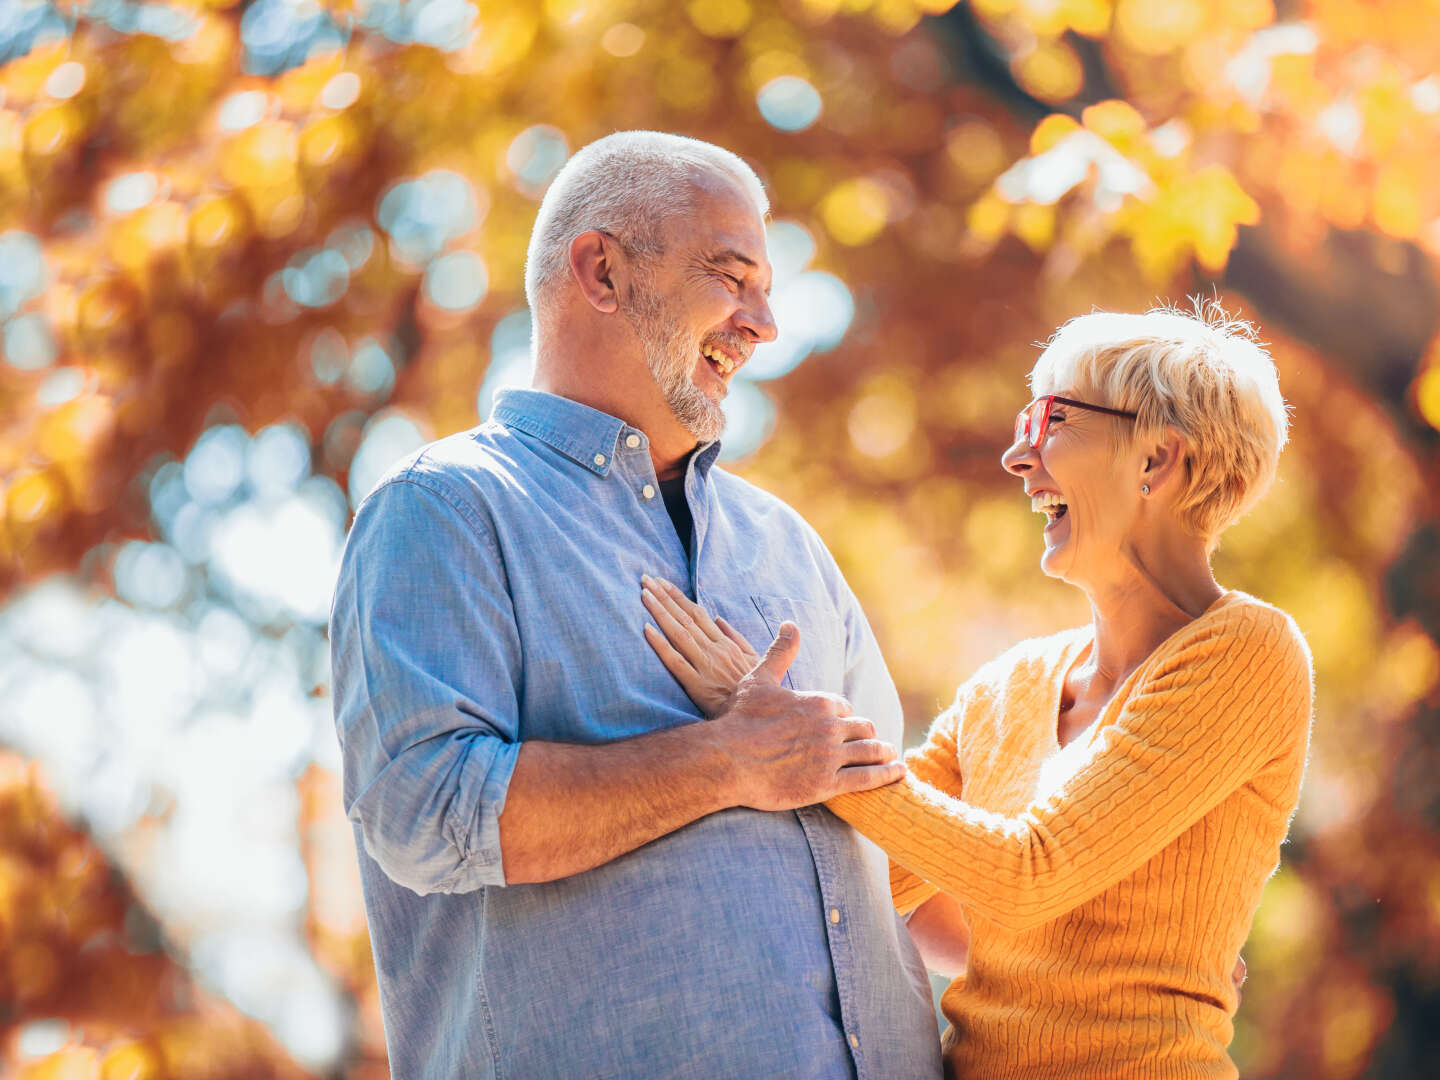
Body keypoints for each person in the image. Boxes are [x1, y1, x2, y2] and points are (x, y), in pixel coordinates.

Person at [329, 130, 942, 1079]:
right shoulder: (446, 510)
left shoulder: (792, 549)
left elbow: (903, 854)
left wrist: (1116, 965)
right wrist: (725, 762)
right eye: (731, 277)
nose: (764, 323)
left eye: (765, 288)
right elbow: (425, 812)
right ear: (602, 271)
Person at [642, 304, 1313, 1079]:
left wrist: (802, 742)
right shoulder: (1011, 684)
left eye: (1051, 419)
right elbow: (888, 875)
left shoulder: (1246, 652)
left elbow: (1031, 874)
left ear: (1156, 461)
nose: (1017, 457)